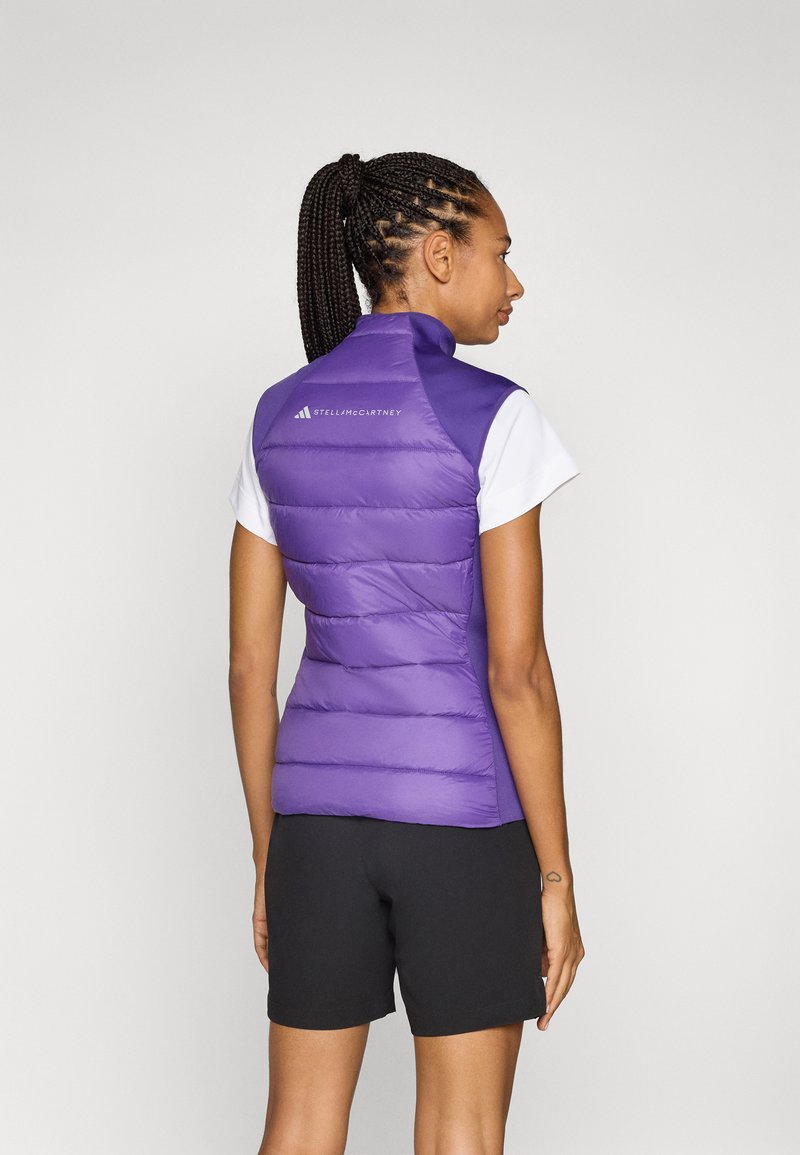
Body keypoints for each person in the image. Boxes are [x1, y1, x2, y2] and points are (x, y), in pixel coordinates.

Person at [228, 151, 586, 1155]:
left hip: (313, 826)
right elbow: (516, 673)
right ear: (437, 255)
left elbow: (249, 669)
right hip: (461, 824)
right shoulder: (492, 414)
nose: (513, 283)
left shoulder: (278, 411)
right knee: (461, 1133)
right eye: (500, 253)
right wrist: (553, 879)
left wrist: (268, 855)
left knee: (297, 1127)